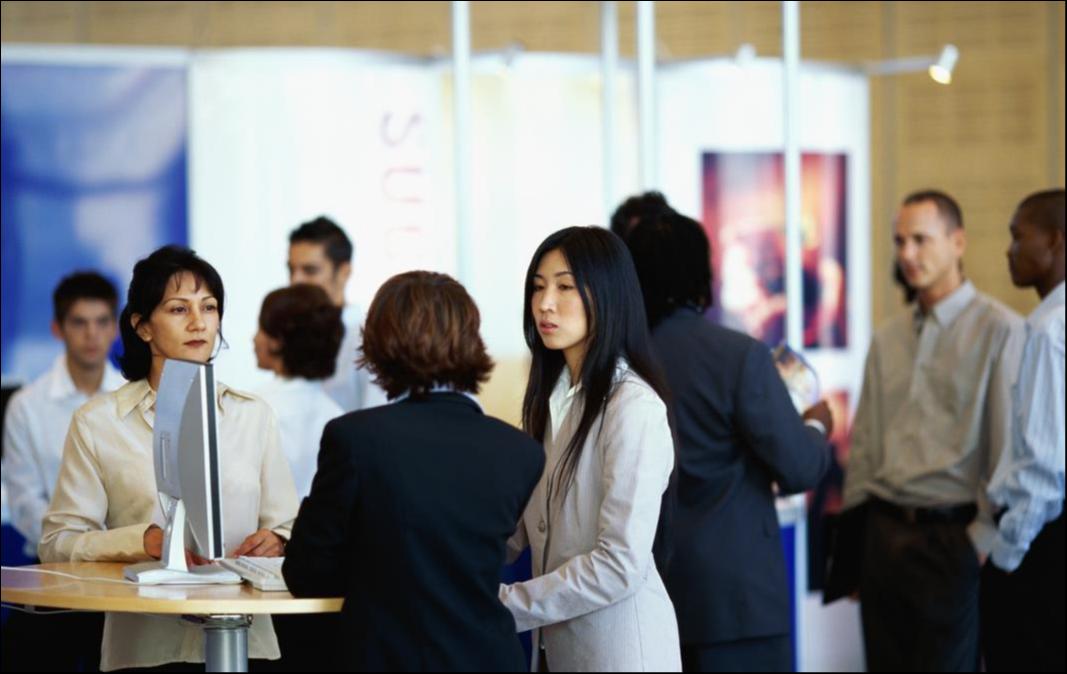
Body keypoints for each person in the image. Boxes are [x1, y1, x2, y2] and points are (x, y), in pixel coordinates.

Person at [38, 245, 299, 672]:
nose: (199, 322)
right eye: (179, 309)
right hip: (148, 648)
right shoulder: (98, 422)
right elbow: (57, 543)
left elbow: (287, 522)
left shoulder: (252, 415)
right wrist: (140, 542)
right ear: (142, 326)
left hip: (246, 640)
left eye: (209, 307)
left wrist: (279, 539)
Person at [283, 271, 544, 672]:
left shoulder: (353, 439)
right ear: (471, 339)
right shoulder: (522, 452)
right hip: (490, 659)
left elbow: (306, 575)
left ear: (378, 343)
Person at [625, 210, 832, 672]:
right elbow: (798, 467)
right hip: (739, 603)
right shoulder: (740, 356)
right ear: (704, 273)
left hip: (651, 598)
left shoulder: (622, 363)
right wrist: (817, 427)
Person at [841, 190, 1024, 672]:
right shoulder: (887, 337)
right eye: (900, 241)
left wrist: (979, 540)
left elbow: (1007, 448)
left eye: (921, 240)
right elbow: (864, 448)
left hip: (951, 539)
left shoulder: (1001, 330)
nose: (907, 253)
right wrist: (856, 549)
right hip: (883, 537)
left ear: (957, 242)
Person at [499, 226, 681, 672]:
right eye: (538, 287)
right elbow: (517, 528)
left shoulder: (633, 406)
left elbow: (619, 563)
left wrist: (508, 604)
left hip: (620, 653)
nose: (545, 303)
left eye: (564, 287)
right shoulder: (549, 400)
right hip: (554, 649)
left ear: (606, 296)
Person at [1, 271, 124, 673]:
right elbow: (24, 502)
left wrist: (110, 550)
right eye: (79, 322)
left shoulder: (132, 399)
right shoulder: (26, 406)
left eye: (102, 322)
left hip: (122, 576)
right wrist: (80, 549)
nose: (92, 334)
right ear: (58, 328)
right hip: (49, 575)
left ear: (115, 327)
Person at [981, 188, 1065, 672]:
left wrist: (1007, 553)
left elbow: (1044, 469)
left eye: (1018, 236)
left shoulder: (1049, 329)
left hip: (1041, 547)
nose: (1009, 250)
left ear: (1055, 241)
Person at [254, 284, 345, 499]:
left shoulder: (255, 408)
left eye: (260, 328)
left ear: (277, 341)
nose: (254, 338)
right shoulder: (338, 416)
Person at [287, 216, 386, 412]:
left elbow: (377, 415)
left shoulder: (368, 337)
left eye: (310, 270)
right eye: (291, 269)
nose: (296, 280)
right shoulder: (292, 334)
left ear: (344, 272)